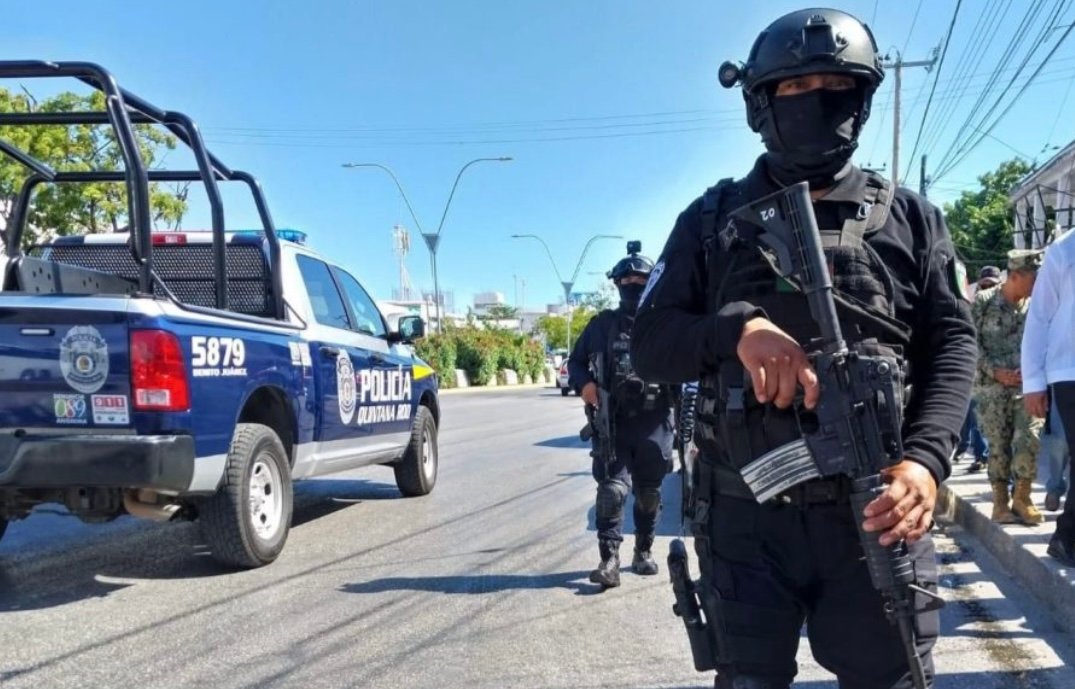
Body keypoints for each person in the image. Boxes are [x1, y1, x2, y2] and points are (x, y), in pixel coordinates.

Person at [630, 8, 976, 688]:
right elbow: (650, 345)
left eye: (834, 85)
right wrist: (738, 326)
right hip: (744, 520)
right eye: (795, 88)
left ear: (861, 99)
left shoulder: (909, 219)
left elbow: (952, 344)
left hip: (875, 512)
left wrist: (926, 464)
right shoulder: (708, 221)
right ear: (762, 103)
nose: (817, 100)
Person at [568, 241, 674, 589]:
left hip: (655, 422)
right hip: (615, 423)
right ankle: (609, 559)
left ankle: (643, 551)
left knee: (648, 493)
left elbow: (685, 368)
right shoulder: (602, 325)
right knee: (611, 492)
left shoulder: (663, 323)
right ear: (616, 284)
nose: (632, 286)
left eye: (639, 281)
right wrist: (585, 386)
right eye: (625, 281)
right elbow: (575, 362)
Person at [972, 250, 1044, 525]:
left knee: (1030, 438)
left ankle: (1023, 498)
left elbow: (1042, 342)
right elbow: (968, 343)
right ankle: (1000, 503)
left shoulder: (1035, 307)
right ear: (1015, 276)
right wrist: (995, 372)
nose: (1037, 284)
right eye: (1033, 279)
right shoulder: (983, 302)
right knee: (999, 446)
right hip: (992, 390)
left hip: (1028, 387)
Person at [1022, 228, 1075, 565]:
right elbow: (1039, 317)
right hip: (1069, 370)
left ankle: (1066, 535)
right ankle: (1066, 537)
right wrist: (1033, 381)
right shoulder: (1065, 249)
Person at [959, 267, 999, 473]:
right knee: (976, 417)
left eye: (992, 286)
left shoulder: (1011, 308)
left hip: (1004, 377)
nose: (988, 290)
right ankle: (982, 455)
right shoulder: (973, 309)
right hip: (978, 372)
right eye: (985, 286)